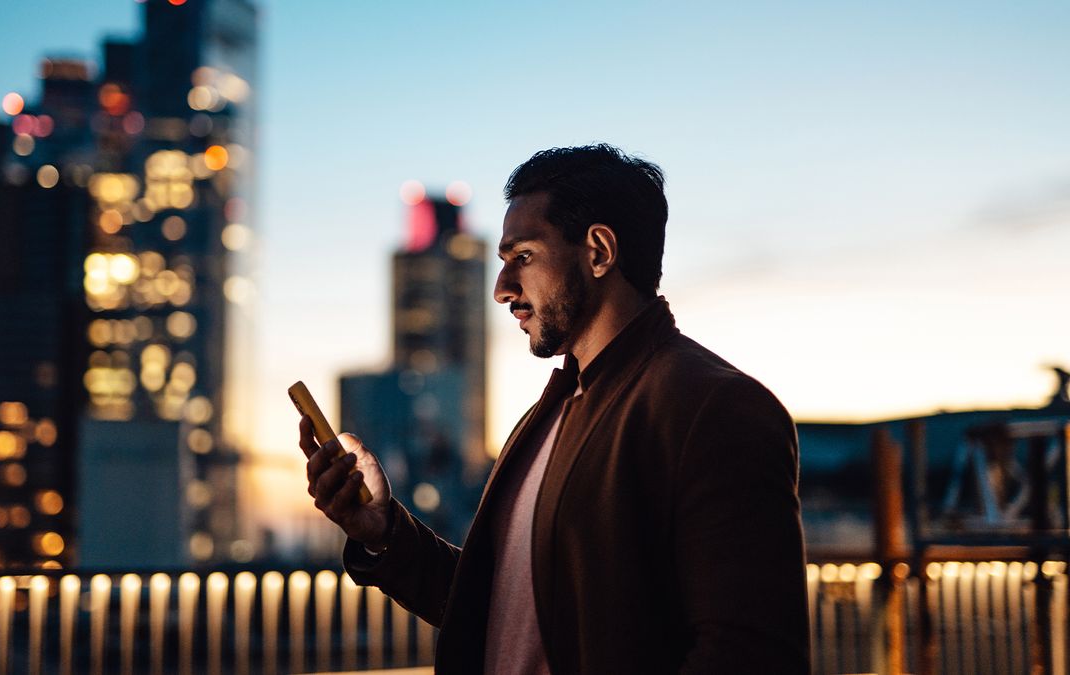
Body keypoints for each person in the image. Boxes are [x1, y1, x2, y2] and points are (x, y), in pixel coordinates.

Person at [299, 144, 810, 673]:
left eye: (522, 257)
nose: (502, 290)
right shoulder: (549, 416)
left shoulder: (716, 408)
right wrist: (383, 532)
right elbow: (500, 610)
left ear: (598, 251)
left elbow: (751, 656)